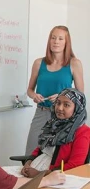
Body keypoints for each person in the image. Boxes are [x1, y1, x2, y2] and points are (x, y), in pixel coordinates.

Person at [25, 25, 84, 156]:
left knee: (55, 156)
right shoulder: (39, 63)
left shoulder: (74, 64)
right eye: (53, 38)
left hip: (63, 117)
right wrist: (34, 95)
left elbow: (80, 95)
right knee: (31, 153)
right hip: (41, 113)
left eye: (60, 38)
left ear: (66, 42)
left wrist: (62, 96)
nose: (56, 41)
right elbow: (29, 90)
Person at [21, 88, 90, 178]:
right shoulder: (53, 125)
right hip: (34, 171)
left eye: (66, 105)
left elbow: (75, 165)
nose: (60, 108)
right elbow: (39, 150)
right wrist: (27, 164)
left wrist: (40, 174)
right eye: (58, 103)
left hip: (54, 177)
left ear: (77, 108)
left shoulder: (83, 132)